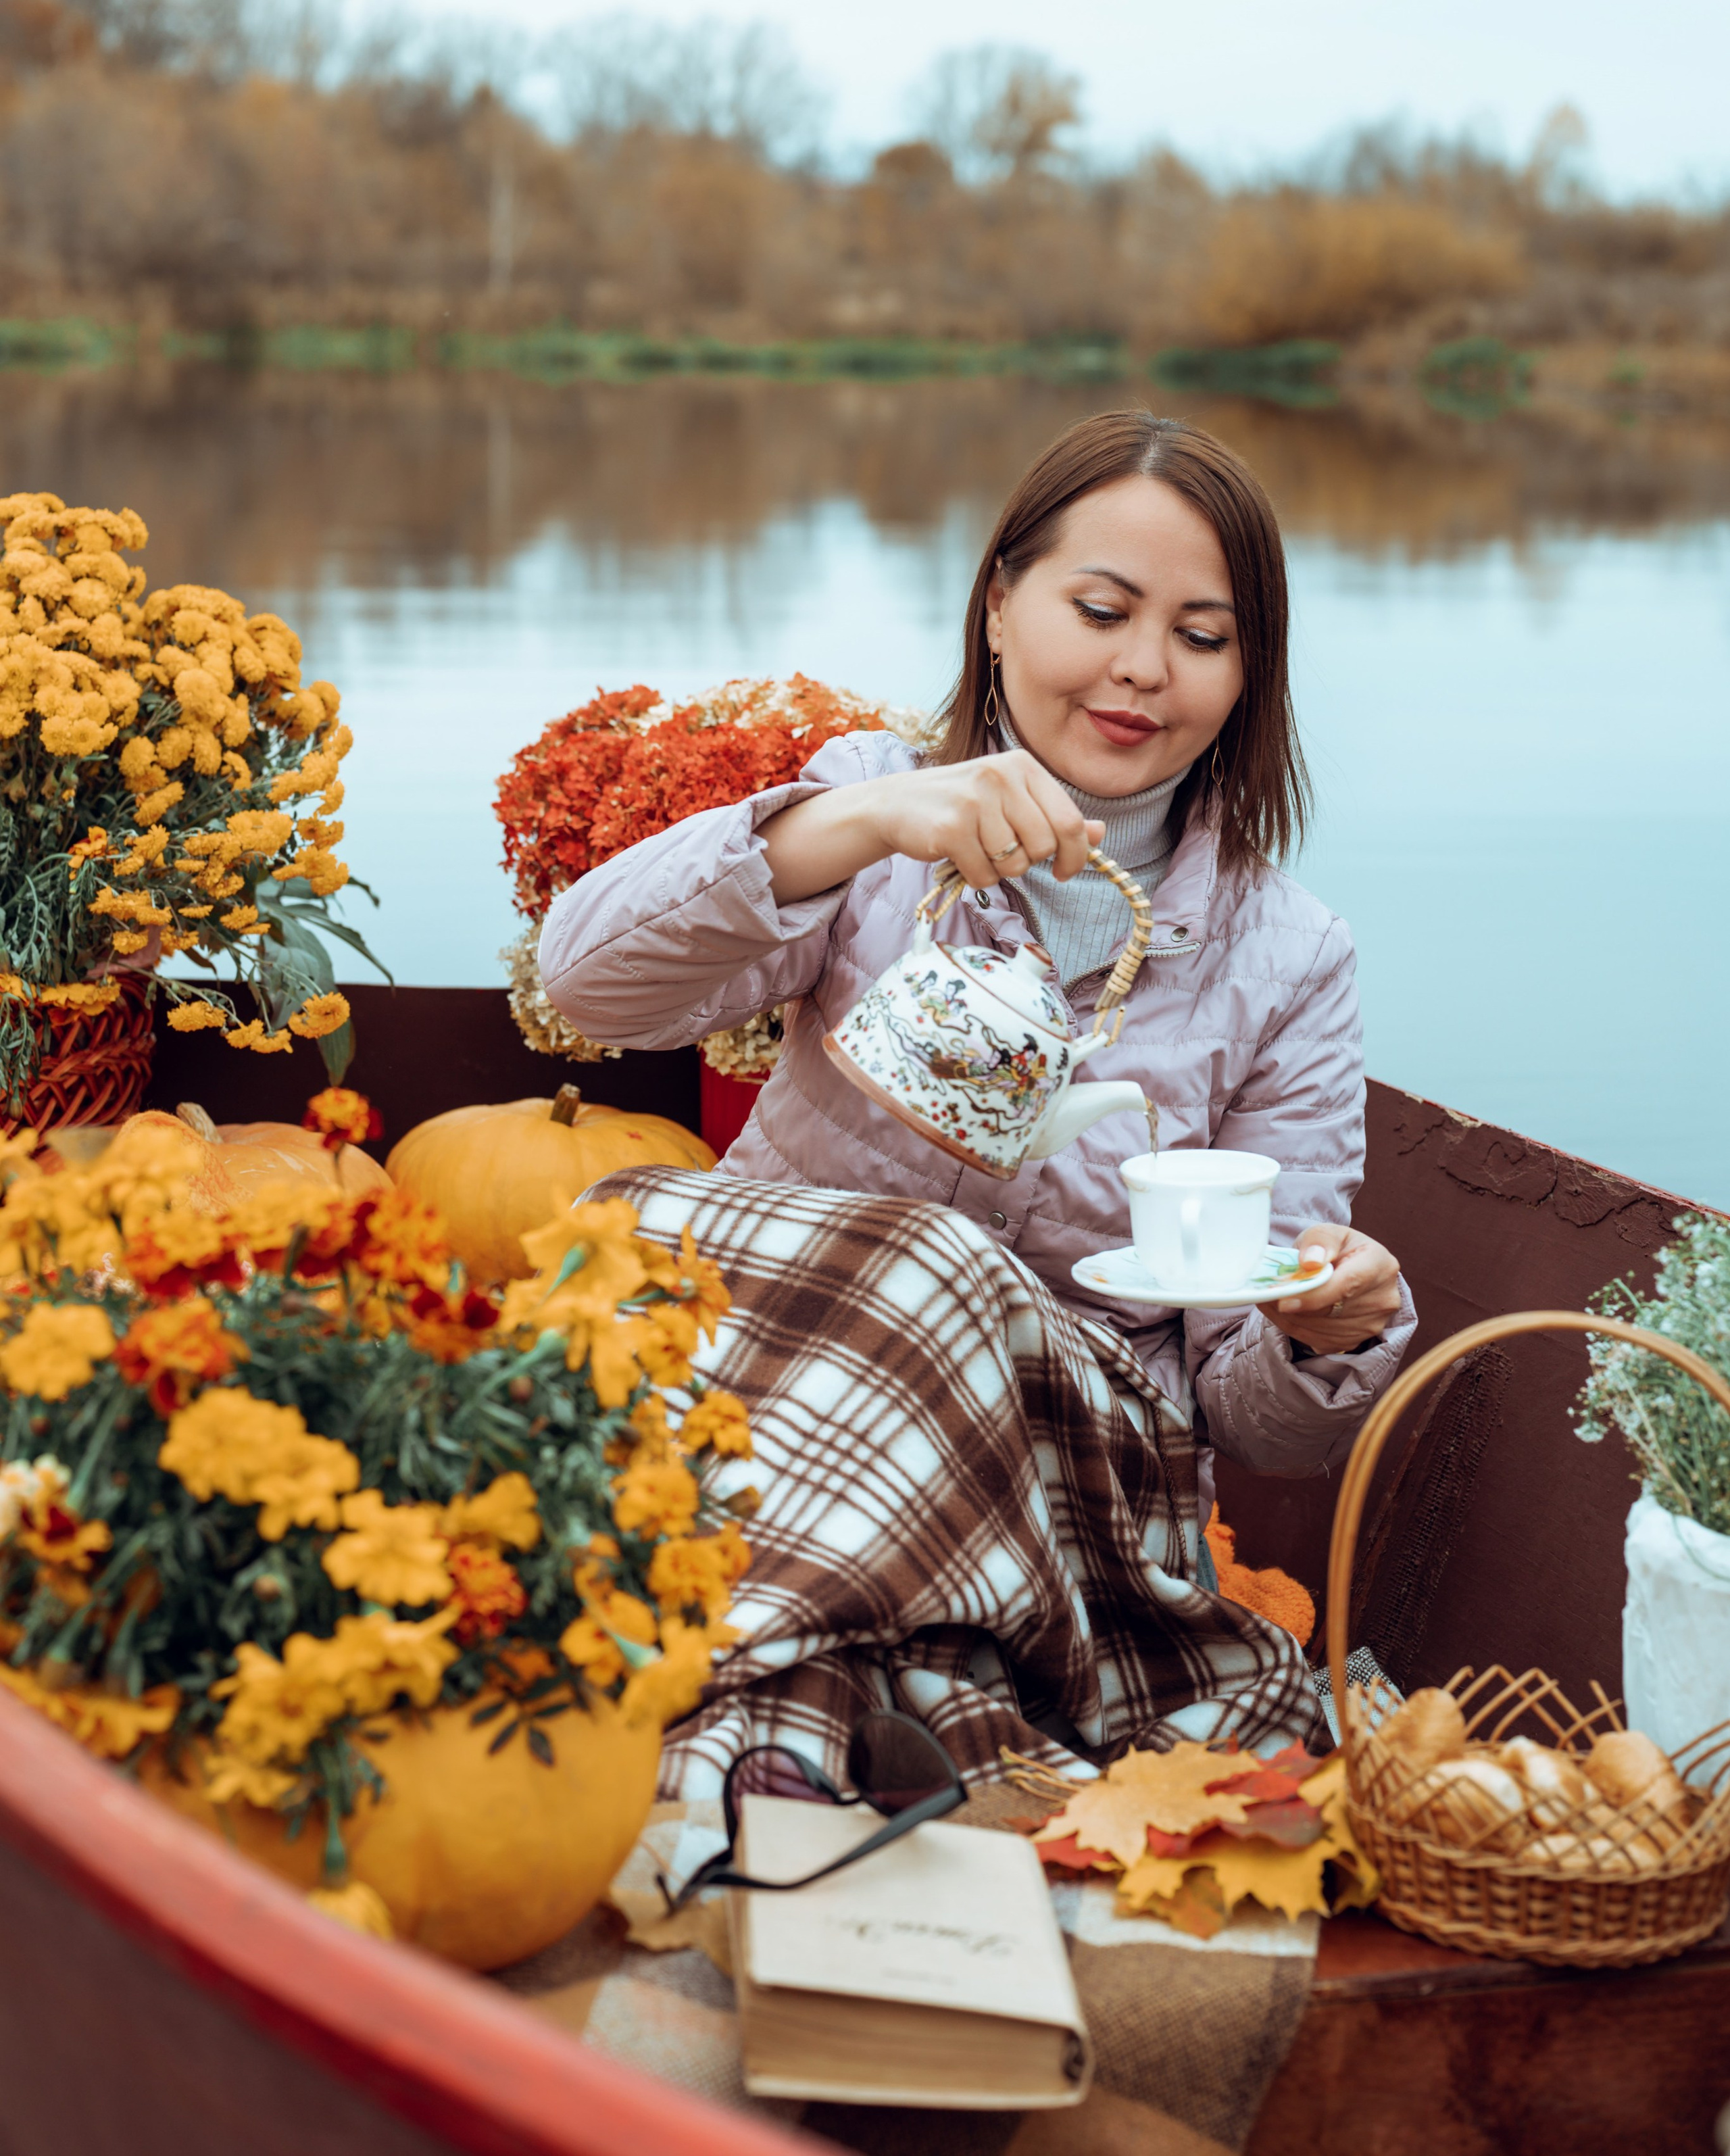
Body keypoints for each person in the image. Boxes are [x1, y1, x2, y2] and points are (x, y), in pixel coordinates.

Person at [541, 410, 1416, 1791]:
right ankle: (847, 1706)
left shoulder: (1288, 955)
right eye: (1102, 608)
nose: (1142, 669)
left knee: (940, 1272)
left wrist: (1330, 1336)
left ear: (1249, 675)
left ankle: (696, 1699)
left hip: (1051, 1469)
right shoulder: (877, 812)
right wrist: (864, 824)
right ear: (999, 604)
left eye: (1202, 634)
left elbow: (1257, 1422)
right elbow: (589, 990)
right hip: (753, 1393)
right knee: (654, 1229)